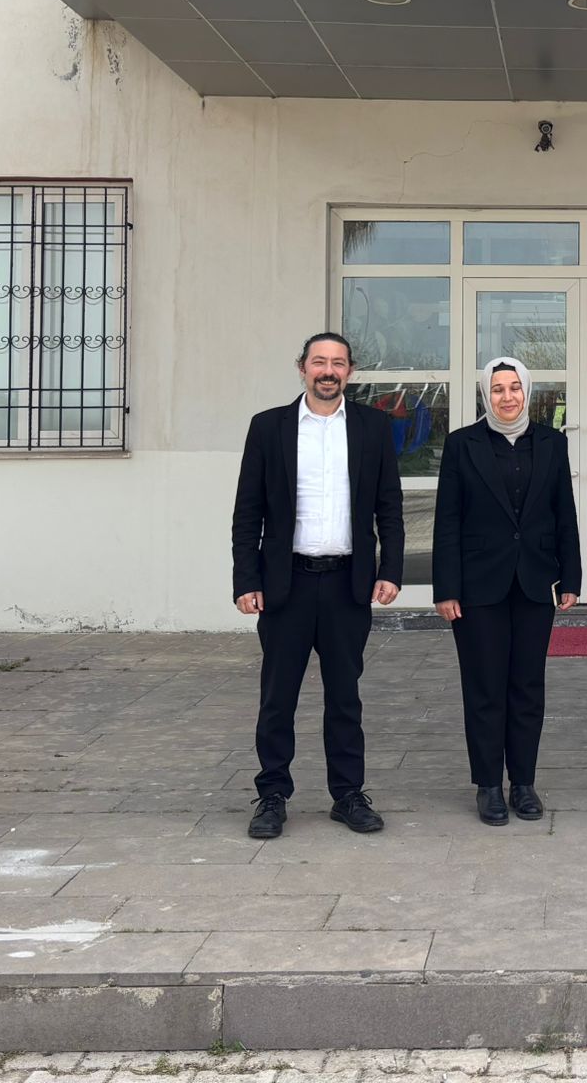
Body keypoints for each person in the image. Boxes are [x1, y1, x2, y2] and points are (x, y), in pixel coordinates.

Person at [230, 332, 403, 840]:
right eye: (319, 362)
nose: (328, 371)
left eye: (338, 363)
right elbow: (248, 512)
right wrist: (246, 579)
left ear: (350, 371)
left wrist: (390, 569)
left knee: (345, 696)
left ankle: (348, 794)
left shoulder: (372, 427)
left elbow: (389, 507)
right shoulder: (269, 427)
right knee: (277, 697)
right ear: (302, 367)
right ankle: (271, 795)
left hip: (348, 584)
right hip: (286, 585)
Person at [432, 357, 582, 826]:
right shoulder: (462, 445)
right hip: (477, 587)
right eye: (497, 389)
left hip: (535, 582)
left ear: (528, 392)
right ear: (486, 394)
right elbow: (447, 521)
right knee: (484, 687)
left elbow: (564, 514)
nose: (507, 396)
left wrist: (571, 577)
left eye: (514, 387)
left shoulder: (552, 444)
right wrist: (446, 588)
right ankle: (488, 786)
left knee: (527, 687)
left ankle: (523, 783)